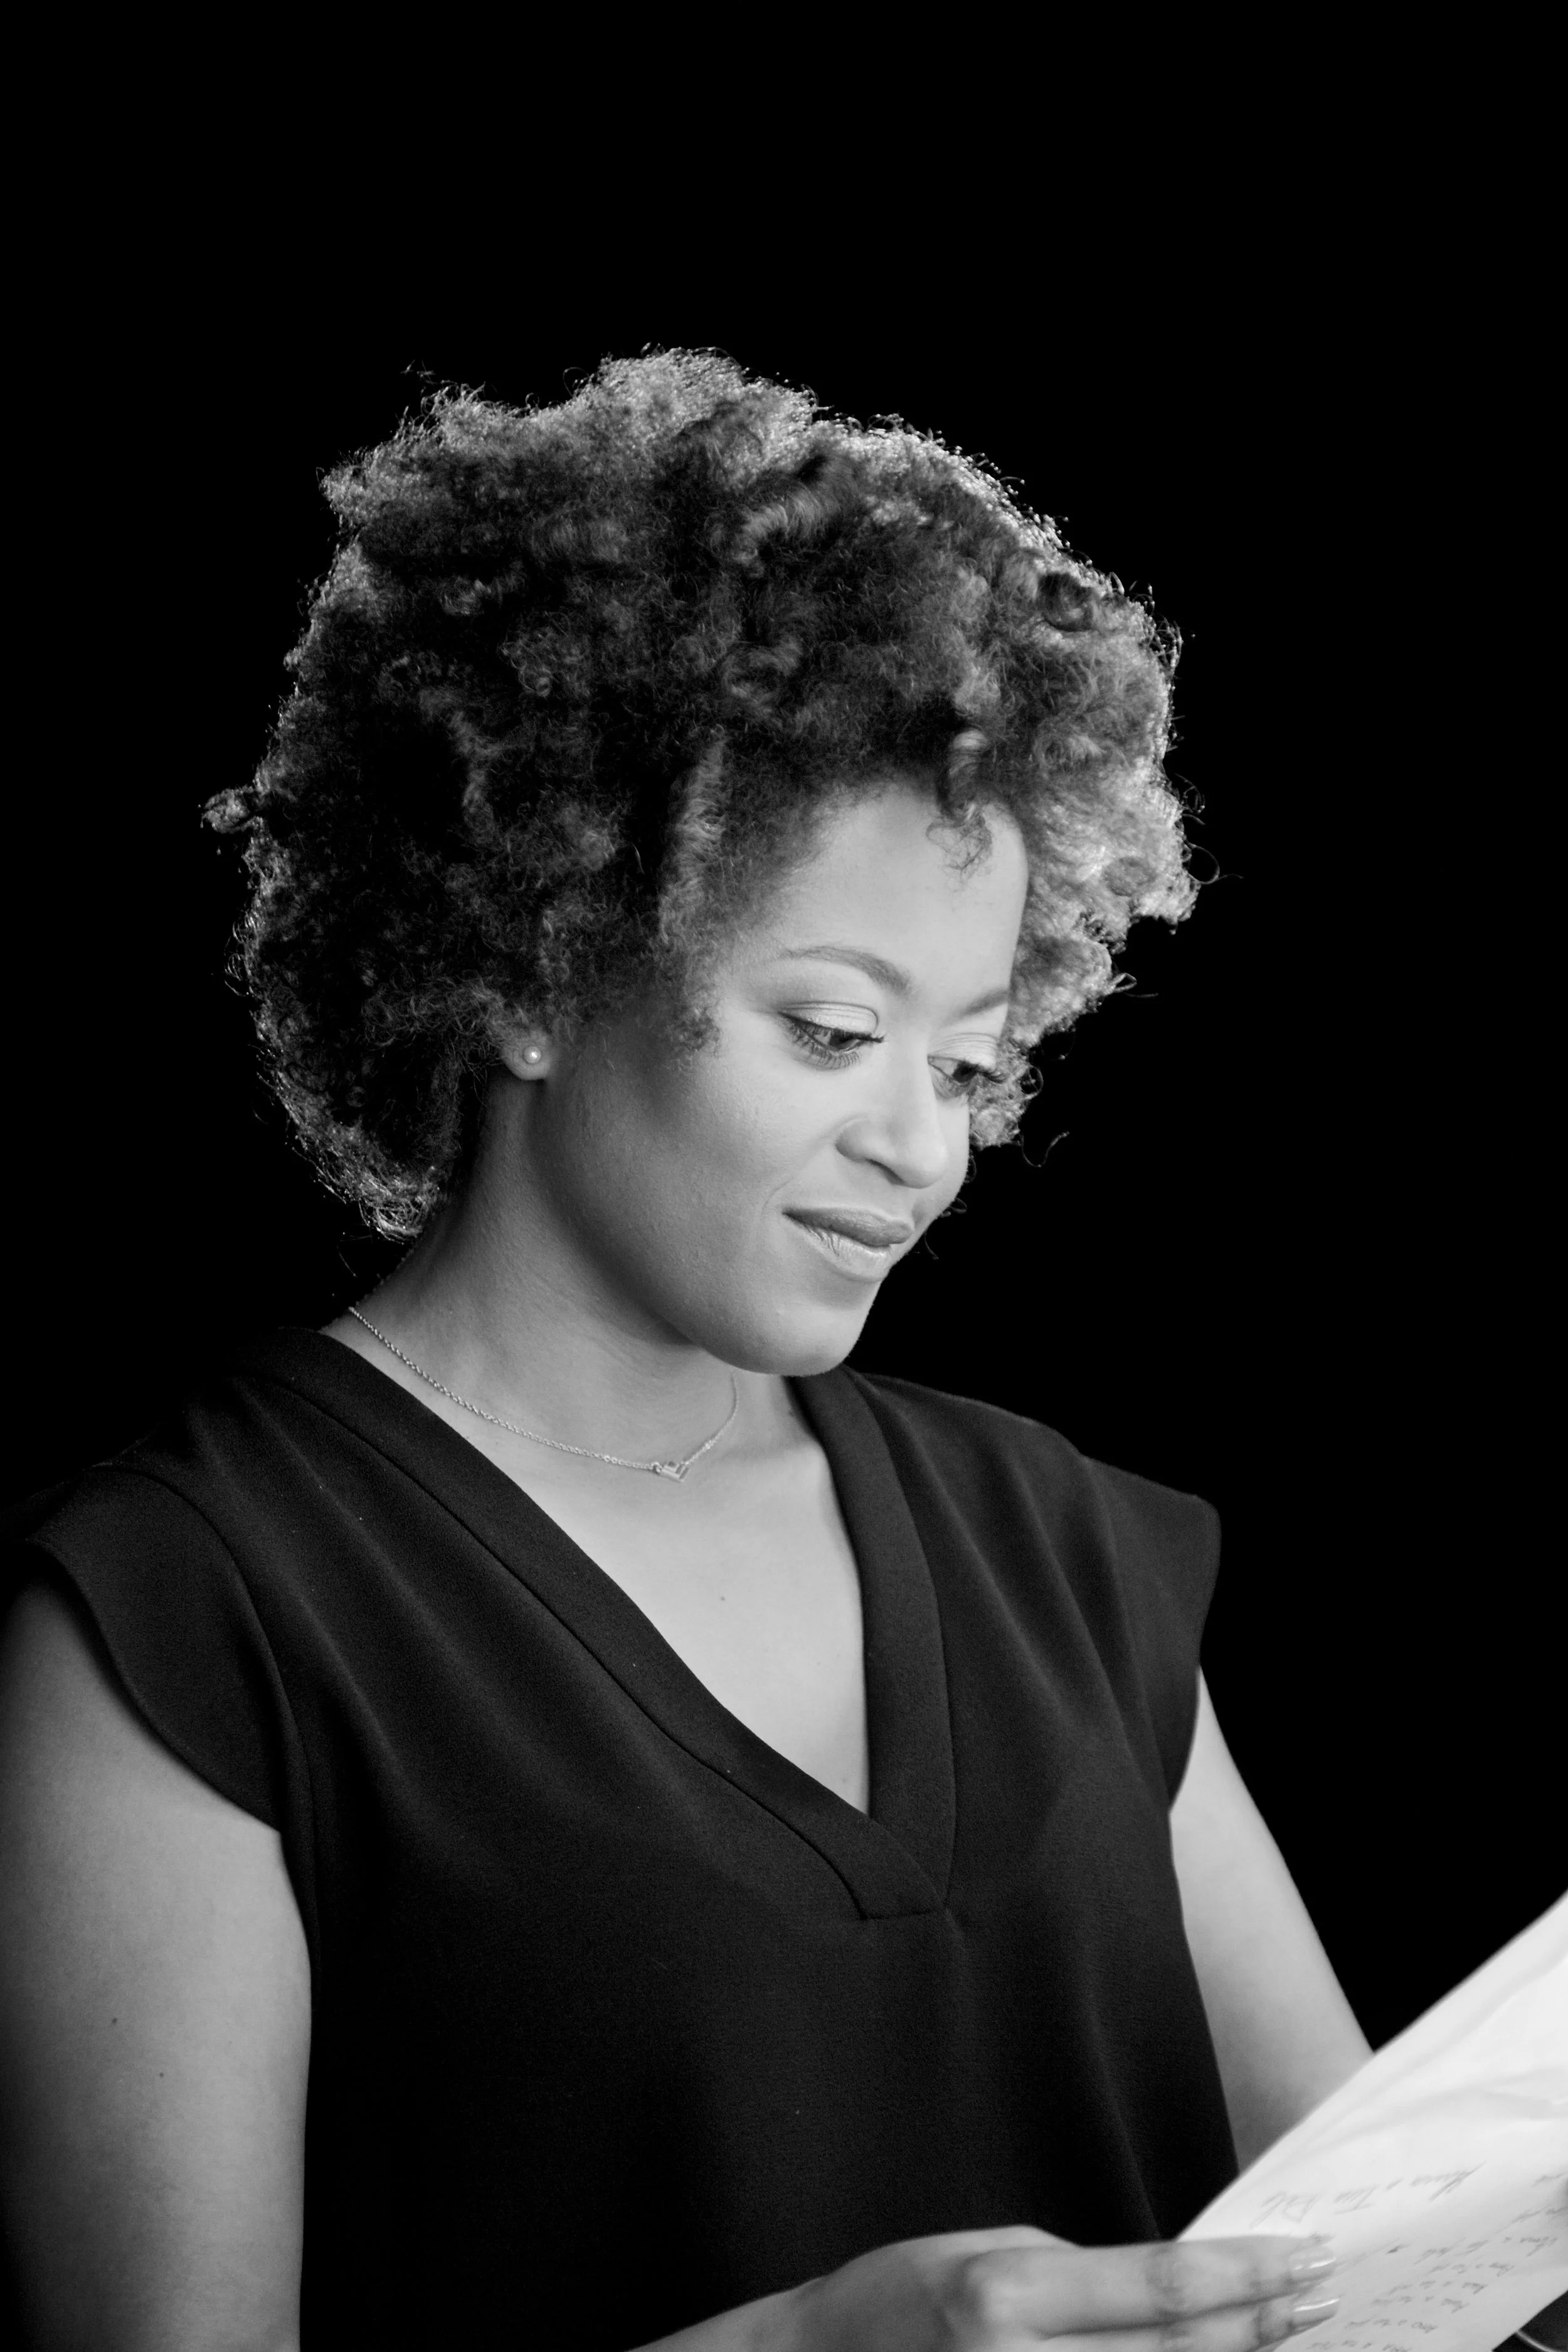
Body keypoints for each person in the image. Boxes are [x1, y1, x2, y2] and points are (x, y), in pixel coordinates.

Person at [0, 352, 1372, 2350]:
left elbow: (1363, 2245)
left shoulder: (1052, 1543)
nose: (919, 1142)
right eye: (831, 1030)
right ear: (537, 963)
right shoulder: (191, 1613)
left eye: (971, 1059)